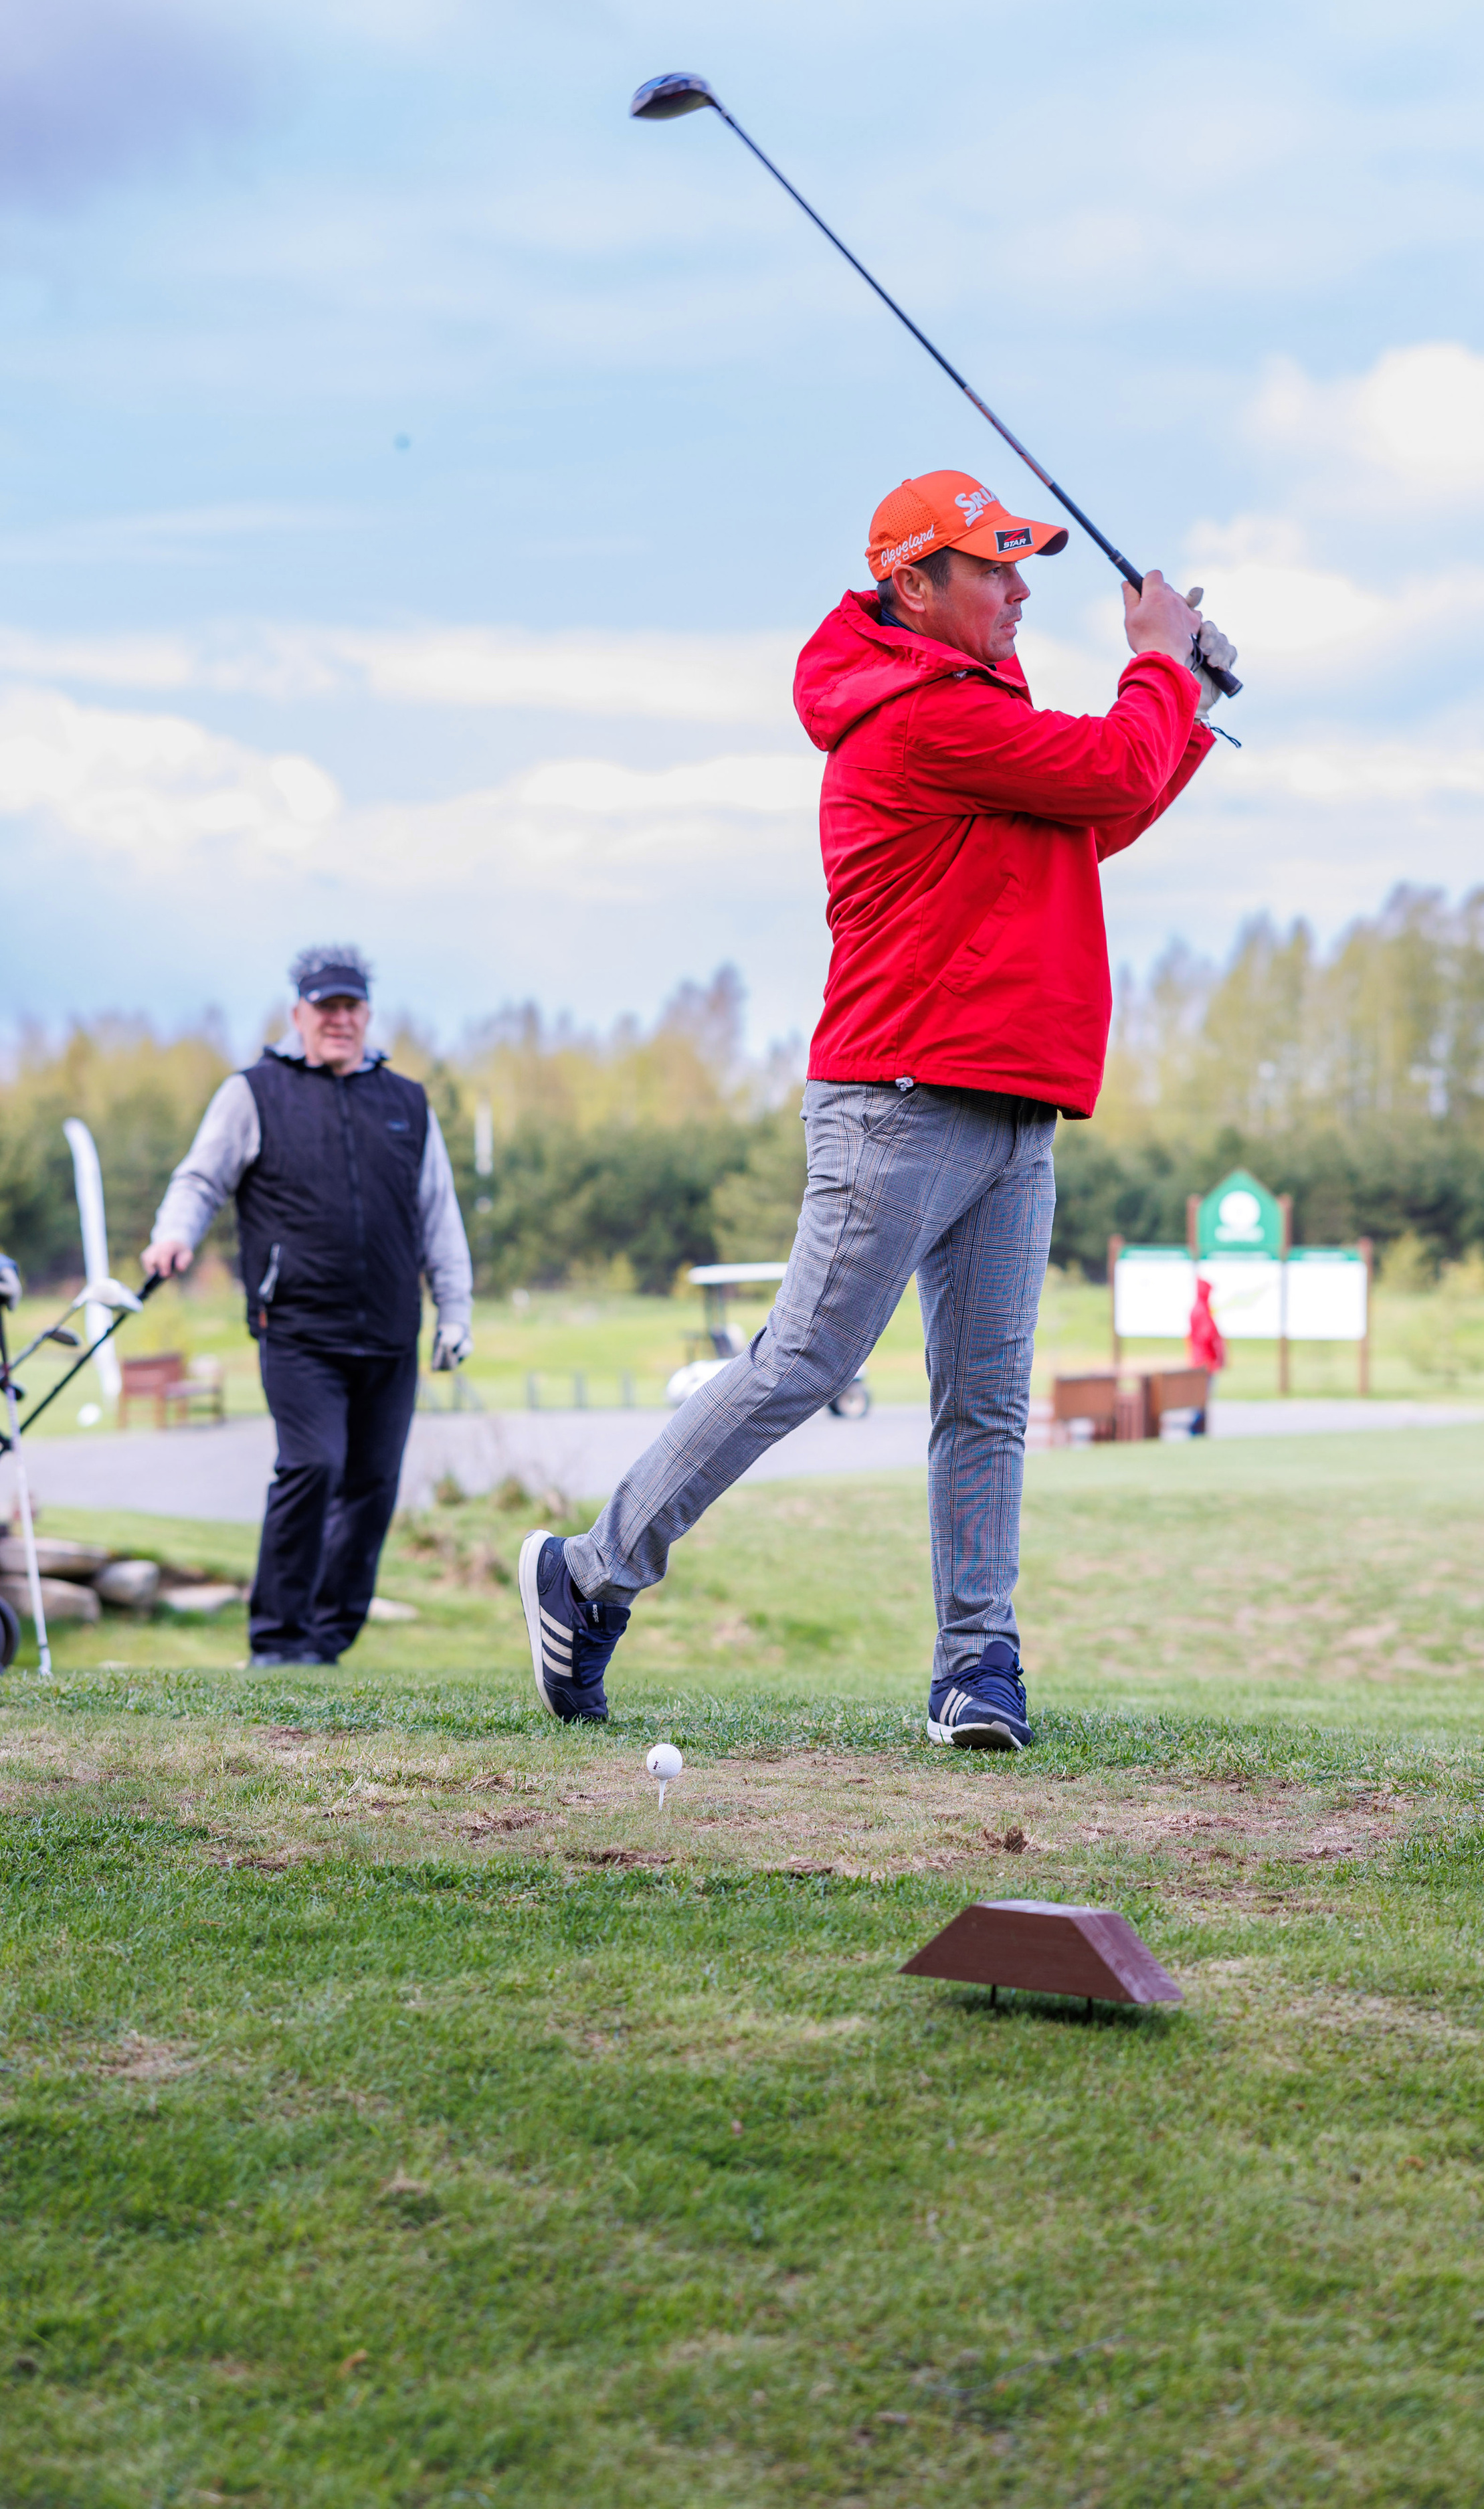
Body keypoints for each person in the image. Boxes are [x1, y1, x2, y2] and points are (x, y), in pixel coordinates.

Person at [517, 469, 1236, 1750]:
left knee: (986, 1398)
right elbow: (1108, 772)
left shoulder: (971, 719)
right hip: (899, 1103)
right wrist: (1161, 666)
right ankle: (588, 1575)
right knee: (805, 1362)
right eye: (993, 571)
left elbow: (1096, 812)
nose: (1021, 591)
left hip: (1011, 1110)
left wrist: (1184, 702)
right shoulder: (920, 721)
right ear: (913, 585)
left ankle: (977, 1668)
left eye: (1024, 569)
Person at [143, 945, 474, 1669]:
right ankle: (278, 1640)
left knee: (372, 1487)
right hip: (296, 1328)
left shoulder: (406, 1101)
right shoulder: (254, 1092)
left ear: (367, 1014)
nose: (339, 1019)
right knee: (313, 1465)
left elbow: (439, 1216)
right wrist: (174, 1234)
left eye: (351, 1007)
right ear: (299, 1014)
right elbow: (200, 1180)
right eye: (325, 1007)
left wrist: (456, 1311)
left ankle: (325, 1643)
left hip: (390, 1332)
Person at [1187, 1275, 1226, 1436]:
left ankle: (1198, 1425)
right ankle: (1196, 1426)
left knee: (1202, 1396)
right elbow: (1207, 1336)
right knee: (1202, 1396)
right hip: (1205, 1361)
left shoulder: (1200, 1308)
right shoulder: (1202, 1310)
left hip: (1201, 1360)